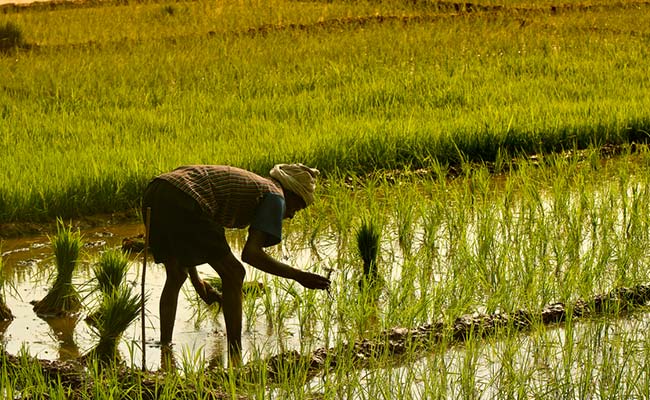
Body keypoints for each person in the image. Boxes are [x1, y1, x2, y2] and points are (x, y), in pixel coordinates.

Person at [141, 164, 331, 364]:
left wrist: (198, 284)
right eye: (297, 208)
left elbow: (187, 236)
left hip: (156, 191)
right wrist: (299, 276)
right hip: (184, 198)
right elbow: (251, 254)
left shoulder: (261, 187)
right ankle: (235, 353)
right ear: (291, 193)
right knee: (234, 273)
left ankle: (165, 348)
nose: (292, 214)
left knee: (177, 274)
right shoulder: (276, 197)